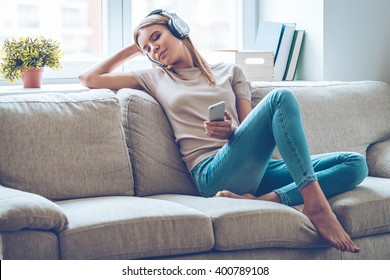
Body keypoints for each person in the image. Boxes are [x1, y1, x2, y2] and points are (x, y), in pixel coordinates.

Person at [79, 9, 368, 253]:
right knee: (281, 97)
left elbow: (251, 128)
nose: (154, 48)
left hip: (252, 168)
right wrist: (136, 44)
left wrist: (232, 132)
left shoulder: (230, 71)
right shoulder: (154, 76)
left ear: (179, 29)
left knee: (355, 164)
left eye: (157, 36)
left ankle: (266, 201)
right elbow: (89, 78)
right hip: (211, 174)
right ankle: (315, 205)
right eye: (148, 49)